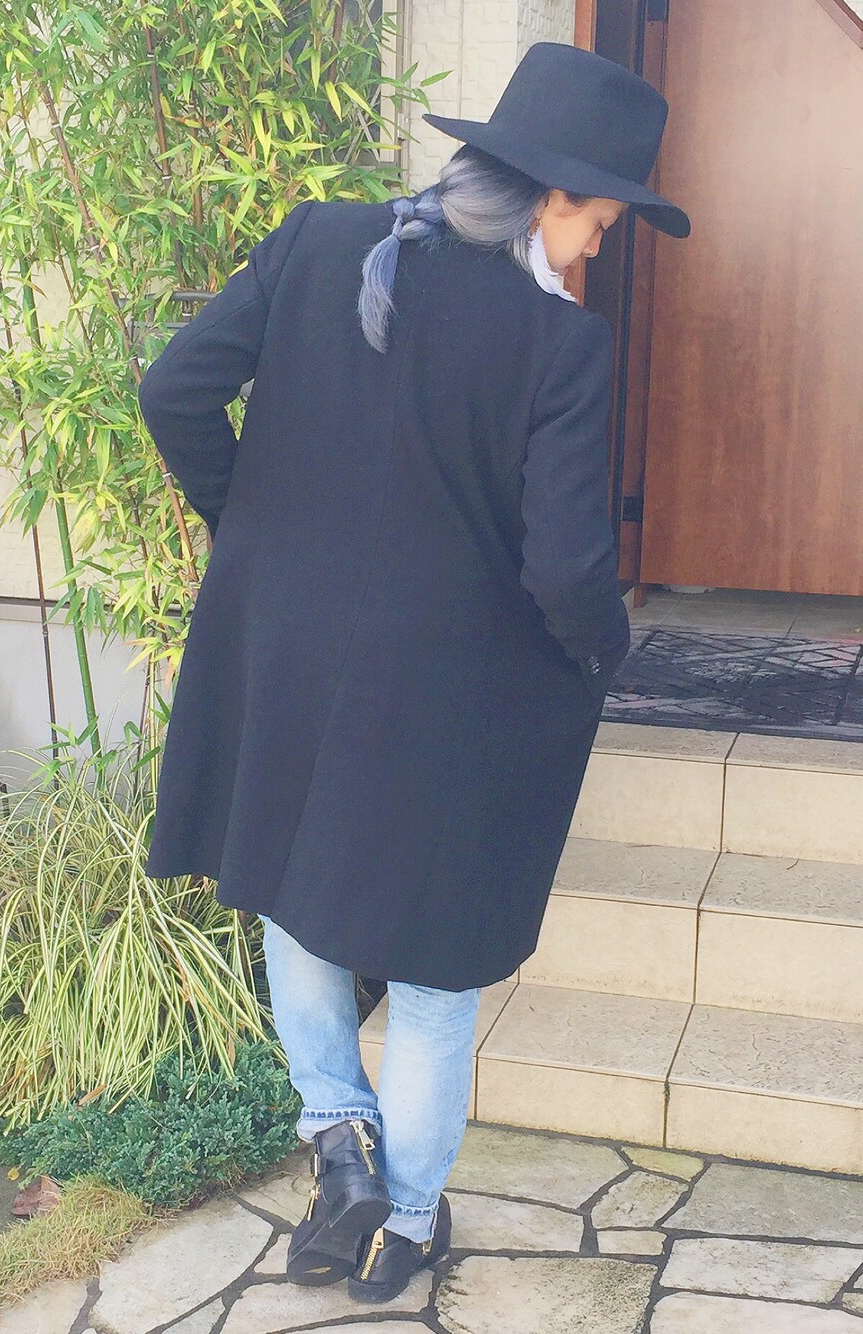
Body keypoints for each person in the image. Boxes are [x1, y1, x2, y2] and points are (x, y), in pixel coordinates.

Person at [138, 40, 690, 1305]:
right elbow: (566, 568)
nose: (593, 253)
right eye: (600, 225)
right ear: (550, 197)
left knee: (292, 901)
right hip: (448, 701)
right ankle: (402, 1224)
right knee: (439, 975)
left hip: (283, 659)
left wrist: (253, 534)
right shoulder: (561, 346)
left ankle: (338, 1139)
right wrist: (601, 655)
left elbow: (175, 390)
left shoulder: (319, 239)